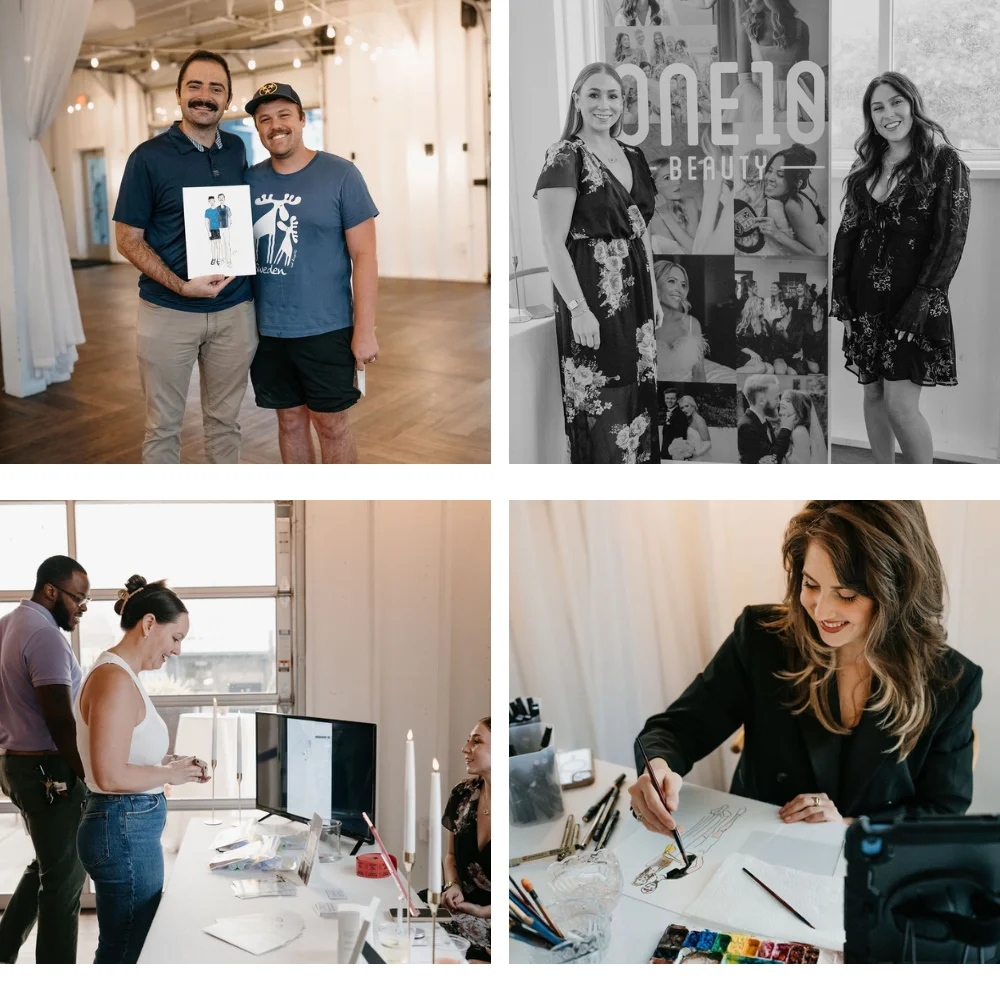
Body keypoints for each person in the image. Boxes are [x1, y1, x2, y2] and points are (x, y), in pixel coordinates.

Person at [628, 501, 981, 833]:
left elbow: (942, 810)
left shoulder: (951, 682)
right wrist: (658, 768)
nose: (822, 611)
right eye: (811, 585)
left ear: (898, 593)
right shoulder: (762, 638)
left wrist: (847, 826)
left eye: (847, 595)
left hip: (867, 858)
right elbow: (679, 729)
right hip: (756, 845)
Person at [114, 50, 257, 464]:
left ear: (227, 99)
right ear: (178, 93)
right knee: (162, 428)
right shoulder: (147, 157)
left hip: (234, 312)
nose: (204, 96)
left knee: (226, 424)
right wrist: (180, 285)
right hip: (168, 313)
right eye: (195, 85)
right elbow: (127, 239)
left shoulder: (237, 148)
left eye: (216, 88)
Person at [832, 72, 970, 465]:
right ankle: (884, 482)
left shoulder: (943, 162)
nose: (888, 114)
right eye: (877, 108)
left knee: (901, 407)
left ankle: (917, 490)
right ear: (871, 117)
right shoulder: (866, 165)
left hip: (914, 302)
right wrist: (843, 300)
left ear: (912, 105)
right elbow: (848, 235)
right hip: (864, 302)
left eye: (896, 102)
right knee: (873, 393)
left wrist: (924, 299)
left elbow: (951, 239)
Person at [74, 577, 209, 963]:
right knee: (127, 952)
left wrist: (170, 765)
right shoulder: (114, 679)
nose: (177, 650)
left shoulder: (120, 675)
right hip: (122, 829)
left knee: (126, 945)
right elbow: (111, 775)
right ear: (149, 623)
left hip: (124, 826)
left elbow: (122, 757)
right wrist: (170, 776)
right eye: (176, 637)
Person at [246, 83, 379, 464]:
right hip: (267, 330)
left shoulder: (341, 174)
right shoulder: (248, 181)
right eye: (265, 119)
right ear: (258, 128)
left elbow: (365, 256)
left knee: (332, 425)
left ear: (303, 119)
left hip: (327, 327)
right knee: (289, 422)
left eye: (284, 115)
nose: (275, 125)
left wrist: (364, 330)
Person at [536, 63, 662, 463]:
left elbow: (641, 232)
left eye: (612, 96)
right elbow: (552, 242)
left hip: (637, 298)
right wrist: (578, 309)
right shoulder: (564, 156)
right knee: (601, 400)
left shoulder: (633, 155)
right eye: (593, 94)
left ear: (622, 103)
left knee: (637, 393)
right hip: (592, 294)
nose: (603, 104)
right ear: (577, 99)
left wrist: (654, 293)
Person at [0, 557, 90, 964]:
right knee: (65, 883)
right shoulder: (45, 635)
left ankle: (3, 949)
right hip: (48, 770)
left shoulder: (8, 625)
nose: (82, 608)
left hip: (15, 764)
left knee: (49, 865)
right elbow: (59, 719)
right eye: (78, 598)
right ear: (51, 591)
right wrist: (88, 774)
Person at [441, 717, 491, 963]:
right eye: (468, 740)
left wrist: (483, 911)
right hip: (458, 906)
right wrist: (453, 885)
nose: (465, 748)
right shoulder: (462, 794)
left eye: (477, 741)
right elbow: (451, 856)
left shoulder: (519, 808)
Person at [749, 145, 827, 255]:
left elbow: (815, 255)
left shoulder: (793, 204)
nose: (770, 178)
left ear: (797, 183)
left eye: (780, 175)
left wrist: (777, 234)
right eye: (770, 171)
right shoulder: (780, 199)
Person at [655, 260, 707, 382]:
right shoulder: (641, 324)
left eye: (683, 285)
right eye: (672, 281)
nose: (680, 290)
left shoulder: (692, 324)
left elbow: (699, 374)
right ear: (655, 284)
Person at [737, 372, 793, 463]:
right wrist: (786, 428)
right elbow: (772, 458)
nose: (779, 402)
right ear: (762, 400)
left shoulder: (762, 421)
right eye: (776, 398)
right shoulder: (746, 427)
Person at [779, 388, 826, 463]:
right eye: (782, 399)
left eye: (788, 400)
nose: (781, 402)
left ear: (799, 407)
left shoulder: (799, 432)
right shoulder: (792, 428)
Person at [668, 394, 712, 460]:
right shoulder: (690, 420)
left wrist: (695, 454)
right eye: (682, 408)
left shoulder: (699, 420)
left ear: (693, 405)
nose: (684, 410)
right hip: (692, 458)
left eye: (686, 406)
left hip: (699, 458)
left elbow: (708, 443)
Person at [660, 387, 690, 457]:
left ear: (677, 400)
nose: (669, 401)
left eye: (672, 398)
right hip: (665, 454)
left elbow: (680, 438)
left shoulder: (680, 415)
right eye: (667, 398)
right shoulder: (668, 412)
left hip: (674, 455)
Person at [204, 195, 222, 267]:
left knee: (218, 245)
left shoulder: (217, 210)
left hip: (218, 229)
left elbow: (221, 220)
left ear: (214, 201)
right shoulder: (207, 211)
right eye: (210, 201)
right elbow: (206, 222)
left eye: (213, 201)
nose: (212, 202)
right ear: (208, 202)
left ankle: (218, 259)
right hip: (212, 230)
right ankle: (213, 258)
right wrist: (208, 232)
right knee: (213, 245)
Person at [216, 193, 232, 268]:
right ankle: (222, 259)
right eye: (219, 198)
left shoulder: (227, 208)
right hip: (219, 229)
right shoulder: (217, 209)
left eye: (222, 198)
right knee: (221, 244)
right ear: (218, 199)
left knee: (227, 245)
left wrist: (228, 228)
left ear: (224, 199)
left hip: (226, 229)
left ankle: (228, 261)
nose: (221, 199)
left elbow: (229, 219)